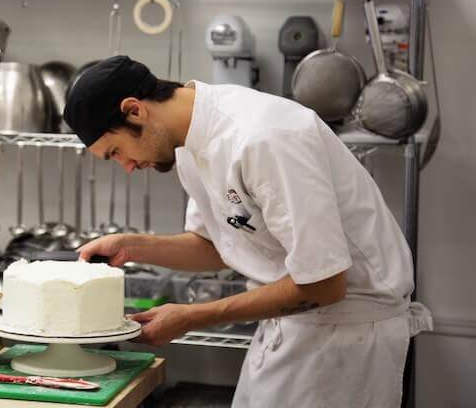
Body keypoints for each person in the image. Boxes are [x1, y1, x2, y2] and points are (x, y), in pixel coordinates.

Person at [64, 55, 432, 407]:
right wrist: (133, 246)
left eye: (115, 152)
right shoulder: (189, 144)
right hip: (291, 328)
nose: (126, 167)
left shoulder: (264, 137)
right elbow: (217, 244)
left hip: (347, 339)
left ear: (134, 110)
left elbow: (325, 283)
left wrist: (193, 317)